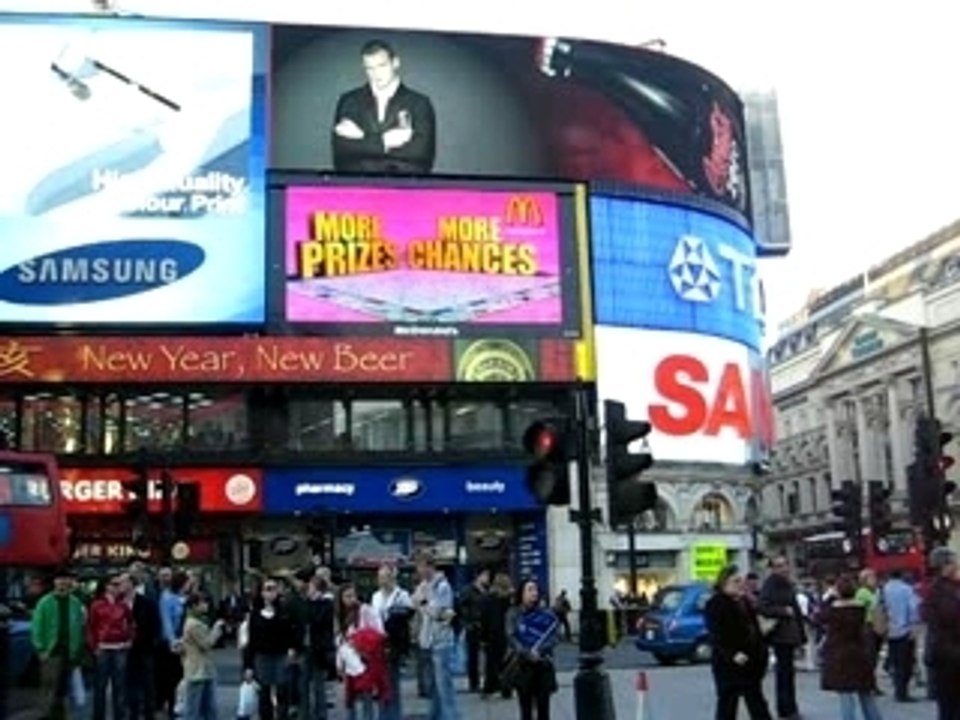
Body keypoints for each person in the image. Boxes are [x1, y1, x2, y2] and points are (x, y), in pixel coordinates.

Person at [331, 39, 436, 174]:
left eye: (382, 66)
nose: (376, 74)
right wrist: (385, 141)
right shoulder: (349, 101)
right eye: (370, 68)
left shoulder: (419, 103)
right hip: (359, 189)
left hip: (403, 190)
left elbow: (420, 154)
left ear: (395, 63)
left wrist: (362, 139)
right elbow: (342, 151)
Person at [704, 564, 773, 720]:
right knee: (727, 704)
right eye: (735, 581)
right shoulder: (716, 604)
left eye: (741, 581)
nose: (740, 584)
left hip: (751, 661)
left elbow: (753, 627)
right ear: (724, 583)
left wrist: (762, 646)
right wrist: (732, 654)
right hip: (729, 663)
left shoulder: (744, 602)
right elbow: (716, 635)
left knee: (757, 703)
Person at [820, 575, 883, 720]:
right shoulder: (860, 608)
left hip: (840, 654)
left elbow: (820, 617)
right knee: (866, 694)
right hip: (859, 651)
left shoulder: (833, 610)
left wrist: (830, 597)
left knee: (846, 696)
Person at [31, 567, 86, 720]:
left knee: (63, 689)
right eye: (60, 579)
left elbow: (80, 627)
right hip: (51, 651)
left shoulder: (75, 602)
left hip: (69, 651)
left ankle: (60, 716)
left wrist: (78, 650)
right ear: (55, 582)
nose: (64, 582)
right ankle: (47, 716)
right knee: (49, 688)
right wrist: (40, 649)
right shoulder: (45, 602)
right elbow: (37, 627)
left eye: (67, 578)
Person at [242, 578, 300, 720]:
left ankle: (282, 717)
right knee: (264, 693)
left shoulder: (284, 611)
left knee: (282, 691)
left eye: (274, 588)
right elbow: (252, 641)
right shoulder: (255, 615)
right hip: (262, 656)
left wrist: (292, 648)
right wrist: (248, 665)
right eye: (267, 589)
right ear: (261, 593)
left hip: (281, 655)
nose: (271, 592)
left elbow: (292, 633)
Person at [758, 556, 805, 720]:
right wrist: (783, 611)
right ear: (773, 568)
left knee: (788, 673)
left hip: (790, 634)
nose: (784, 568)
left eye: (785, 564)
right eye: (779, 566)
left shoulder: (786, 583)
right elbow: (762, 606)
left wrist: (801, 635)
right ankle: (786, 709)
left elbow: (796, 609)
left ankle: (789, 707)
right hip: (780, 635)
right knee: (784, 673)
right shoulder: (771, 584)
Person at [415, 551, 461, 720]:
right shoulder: (423, 585)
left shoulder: (442, 586)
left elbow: (440, 613)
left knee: (444, 687)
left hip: (440, 641)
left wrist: (424, 604)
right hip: (427, 640)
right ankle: (434, 716)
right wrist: (423, 604)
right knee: (432, 687)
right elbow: (417, 604)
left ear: (429, 566)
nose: (418, 570)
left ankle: (451, 717)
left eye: (420, 566)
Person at [506, 578, 559, 720]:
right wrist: (526, 652)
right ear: (521, 593)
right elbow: (511, 636)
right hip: (523, 666)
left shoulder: (546, 614)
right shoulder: (514, 613)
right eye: (529, 589)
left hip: (543, 664)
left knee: (543, 709)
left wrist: (540, 650)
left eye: (535, 589)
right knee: (526, 710)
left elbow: (554, 637)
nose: (534, 593)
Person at [87, 573, 136, 720]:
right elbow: (90, 627)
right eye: (113, 584)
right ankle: (98, 716)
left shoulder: (123, 605)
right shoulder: (96, 605)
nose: (117, 587)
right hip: (103, 647)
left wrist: (130, 640)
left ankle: (119, 716)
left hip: (120, 647)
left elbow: (132, 624)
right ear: (106, 586)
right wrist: (94, 647)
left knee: (119, 686)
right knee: (100, 686)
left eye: (118, 584)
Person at [371, 564, 414, 720]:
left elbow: (409, 615)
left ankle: (394, 715)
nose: (381, 580)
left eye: (384, 577)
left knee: (392, 681)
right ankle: (384, 715)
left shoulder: (402, 595)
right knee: (381, 682)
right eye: (379, 577)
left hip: (394, 642)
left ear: (392, 578)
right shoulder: (375, 596)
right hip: (378, 642)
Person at [922, 546, 960, 718]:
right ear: (945, 565)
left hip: (948, 652)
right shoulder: (939, 591)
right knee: (949, 706)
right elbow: (949, 617)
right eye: (954, 562)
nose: (957, 565)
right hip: (948, 656)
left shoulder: (949, 588)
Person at [180, 593, 227, 720]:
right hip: (197, 670)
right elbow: (207, 643)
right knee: (193, 709)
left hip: (203, 669)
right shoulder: (194, 624)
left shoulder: (196, 621)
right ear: (195, 605)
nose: (206, 605)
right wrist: (216, 629)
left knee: (209, 708)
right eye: (202, 603)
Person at [121, 571, 162, 720]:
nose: (121, 585)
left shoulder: (146, 602)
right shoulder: (118, 603)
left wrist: (153, 643)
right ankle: (132, 712)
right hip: (124, 649)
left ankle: (149, 713)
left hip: (145, 648)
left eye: (124, 582)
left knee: (148, 683)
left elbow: (156, 624)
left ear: (132, 584)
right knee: (129, 683)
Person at [880, 569, 919, 702]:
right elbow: (913, 608)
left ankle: (897, 688)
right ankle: (903, 691)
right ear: (901, 576)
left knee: (895, 662)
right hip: (905, 630)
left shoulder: (883, 589)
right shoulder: (907, 589)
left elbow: (880, 608)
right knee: (906, 662)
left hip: (890, 630)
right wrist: (914, 626)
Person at [302, 574, 336, 720]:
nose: (308, 590)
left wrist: (312, 603)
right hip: (306, 648)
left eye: (310, 587)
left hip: (319, 649)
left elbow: (316, 620)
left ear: (317, 589)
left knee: (318, 686)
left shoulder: (326, 605)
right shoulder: (306, 603)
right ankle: (306, 714)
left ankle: (320, 715)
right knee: (303, 685)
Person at [481, 573, 514, 699]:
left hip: (492, 635)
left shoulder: (488, 599)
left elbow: (484, 619)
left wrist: (483, 637)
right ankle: (507, 688)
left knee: (491, 664)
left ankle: (489, 688)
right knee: (507, 663)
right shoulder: (510, 599)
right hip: (507, 633)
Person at [457, 568, 489, 694]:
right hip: (472, 625)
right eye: (485, 575)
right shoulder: (468, 591)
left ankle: (485, 680)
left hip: (484, 626)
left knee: (485, 654)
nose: (487, 578)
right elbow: (460, 606)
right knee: (473, 655)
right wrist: (466, 622)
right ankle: (473, 682)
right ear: (478, 576)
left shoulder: (485, 591)